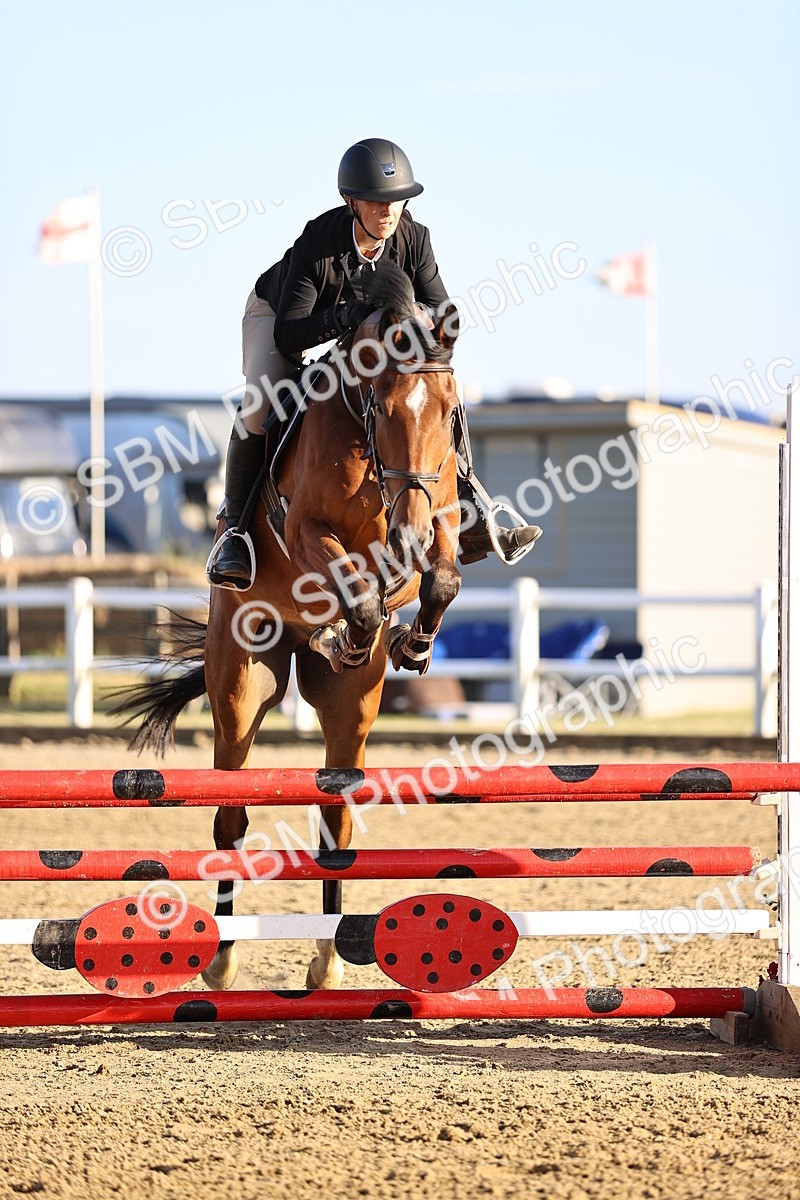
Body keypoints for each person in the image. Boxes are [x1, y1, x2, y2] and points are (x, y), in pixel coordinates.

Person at [207, 137, 541, 589]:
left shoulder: (414, 240)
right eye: (377, 201)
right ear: (350, 201)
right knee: (260, 404)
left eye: (397, 201)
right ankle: (235, 533)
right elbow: (290, 336)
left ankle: (474, 505)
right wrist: (345, 316)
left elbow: (441, 314)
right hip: (280, 315)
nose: (388, 211)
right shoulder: (317, 244)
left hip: (367, 339)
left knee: (438, 396)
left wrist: (424, 344)